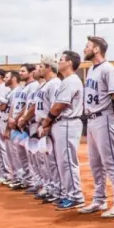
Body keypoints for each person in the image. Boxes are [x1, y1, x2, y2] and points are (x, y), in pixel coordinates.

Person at [79, 36, 114, 217]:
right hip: (92, 120)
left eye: (87, 46)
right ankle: (99, 199)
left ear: (97, 49)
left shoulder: (108, 69)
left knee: (110, 162)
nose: (84, 49)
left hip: (104, 118)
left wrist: (112, 116)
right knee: (95, 162)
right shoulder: (92, 69)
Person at [39, 51, 86, 210]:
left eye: (61, 60)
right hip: (62, 124)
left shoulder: (71, 80)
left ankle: (75, 196)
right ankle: (68, 194)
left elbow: (59, 106)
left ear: (70, 63)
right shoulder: (66, 80)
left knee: (67, 162)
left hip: (67, 123)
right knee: (62, 162)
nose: (58, 62)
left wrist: (46, 122)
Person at [35, 57, 62, 203]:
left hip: (49, 124)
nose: (39, 69)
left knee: (53, 161)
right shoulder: (46, 84)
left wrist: (47, 125)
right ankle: (52, 187)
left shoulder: (55, 83)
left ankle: (58, 190)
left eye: (41, 66)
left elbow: (54, 106)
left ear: (49, 68)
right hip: (43, 124)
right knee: (47, 160)